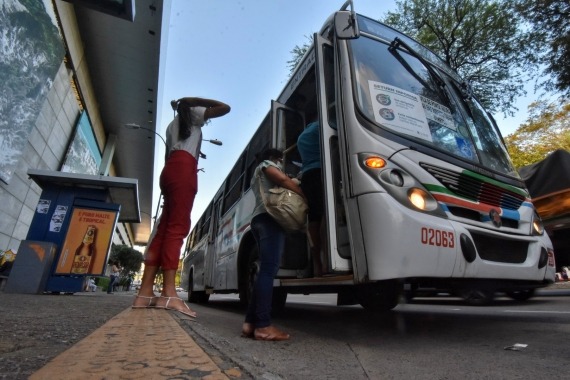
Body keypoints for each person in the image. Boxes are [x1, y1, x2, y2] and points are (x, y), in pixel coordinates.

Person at [132, 96, 230, 317]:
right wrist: (193, 99)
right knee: (177, 229)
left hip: (169, 170)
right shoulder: (193, 113)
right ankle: (169, 294)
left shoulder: (172, 125)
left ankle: (144, 293)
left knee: (164, 230)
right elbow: (225, 108)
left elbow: (173, 151)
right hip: (184, 169)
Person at [242, 148, 305, 341]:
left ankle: (250, 323)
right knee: (269, 271)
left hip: (259, 220)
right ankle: (263, 326)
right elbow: (284, 181)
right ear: (273, 158)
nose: (280, 162)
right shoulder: (266, 165)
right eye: (280, 159)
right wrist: (303, 194)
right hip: (269, 220)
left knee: (264, 271)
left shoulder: (257, 173)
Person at [297, 121, 327, 277]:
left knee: (314, 219)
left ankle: (318, 264)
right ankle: (329, 259)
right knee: (326, 214)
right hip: (320, 172)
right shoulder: (321, 126)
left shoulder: (301, 137)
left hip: (307, 176)